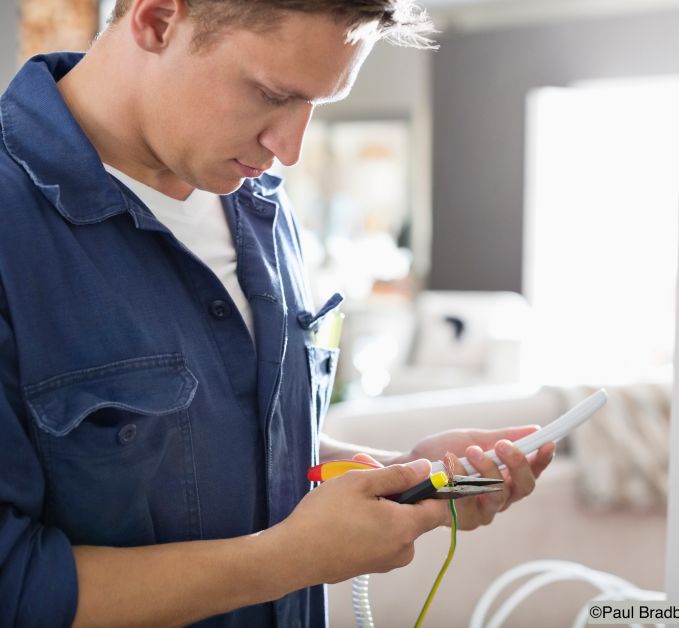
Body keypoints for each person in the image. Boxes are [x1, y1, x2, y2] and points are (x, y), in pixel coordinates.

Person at [0, 0, 556, 626]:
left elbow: (218, 431)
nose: (289, 150)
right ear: (157, 21)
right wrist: (291, 559)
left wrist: (403, 471)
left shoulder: (258, 202)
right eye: (271, 94)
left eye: (318, 105)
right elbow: (14, 588)